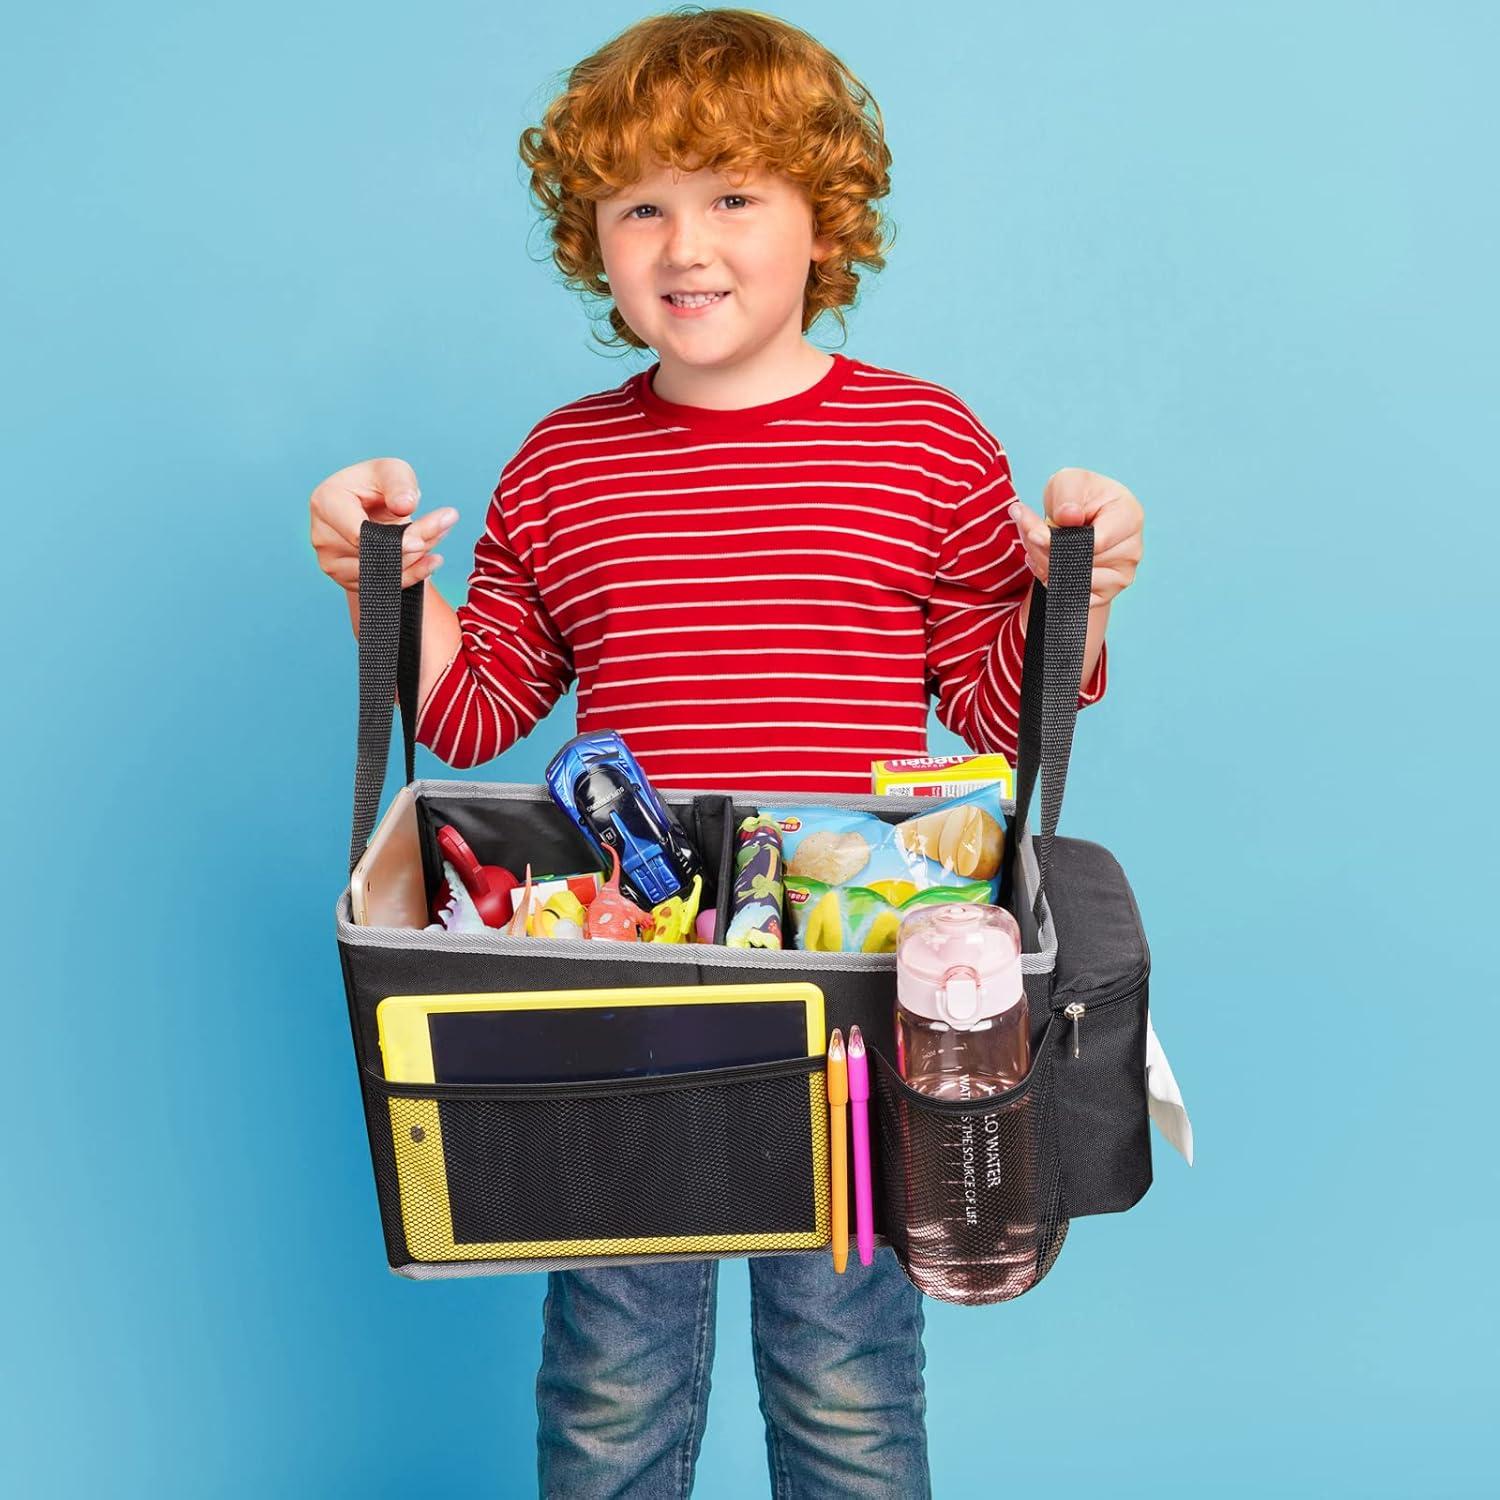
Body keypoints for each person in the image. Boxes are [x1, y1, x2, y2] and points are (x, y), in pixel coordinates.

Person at [309, 8, 1144, 1495]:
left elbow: (988, 698)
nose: (683, 244)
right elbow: (476, 714)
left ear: (829, 218)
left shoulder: (928, 443)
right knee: (613, 1377)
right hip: (629, 980)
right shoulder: (564, 463)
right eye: (641, 206)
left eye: (733, 194)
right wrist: (393, 587)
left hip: (859, 987)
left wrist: (1070, 595)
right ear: (596, 242)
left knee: (847, 1380)